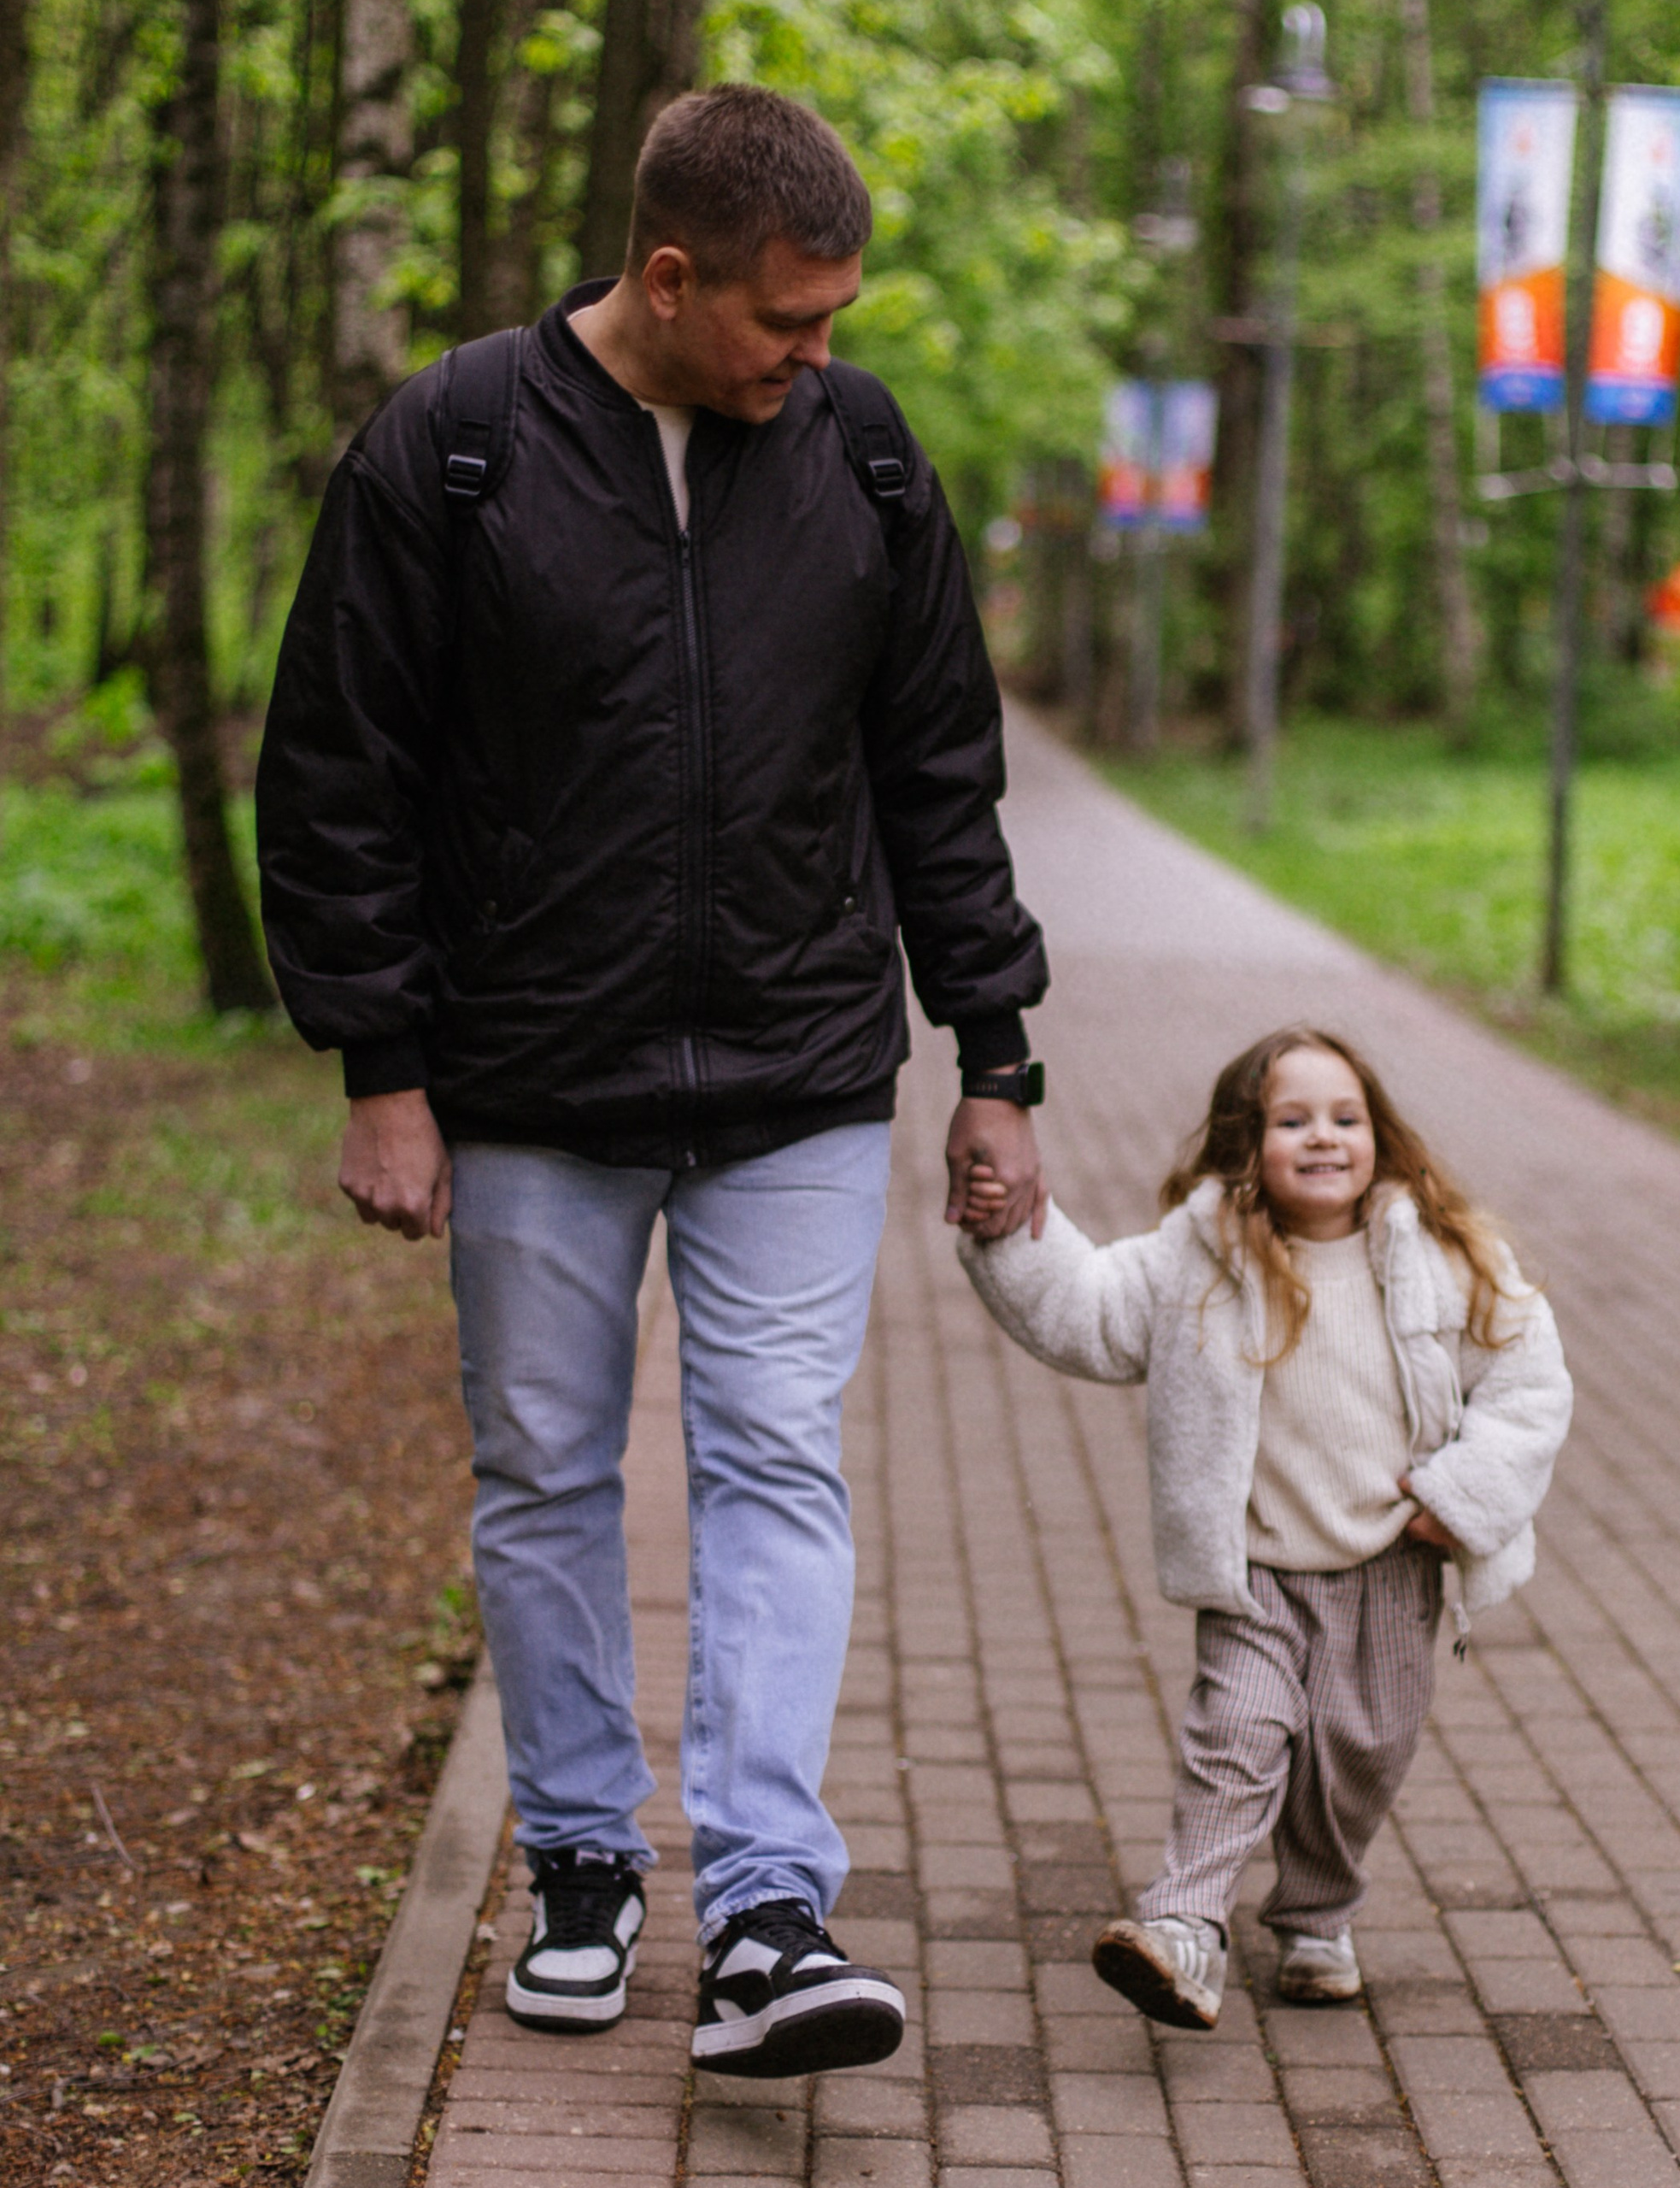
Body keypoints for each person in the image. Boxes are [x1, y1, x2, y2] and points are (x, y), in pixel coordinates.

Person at [256, 85, 1051, 2079]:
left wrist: (997, 1055)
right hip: (532, 1077)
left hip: (792, 1064)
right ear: (669, 275)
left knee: (775, 1454)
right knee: (543, 1472)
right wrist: (383, 1066)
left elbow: (938, 769)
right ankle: (587, 1865)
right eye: (787, 320)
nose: (819, 353)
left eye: (837, 318)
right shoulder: (451, 450)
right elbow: (338, 766)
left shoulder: (857, 456)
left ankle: (772, 1902)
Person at [956, 1027, 1570, 2025]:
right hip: (1259, 1569)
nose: (1322, 1138)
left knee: (1356, 1757)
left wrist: (1460, 1494)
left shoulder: (1444, 1256)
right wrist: (1006, 1226)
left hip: (1389, 1560)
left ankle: (1317, 1910)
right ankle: (1185, 1925)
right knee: (1235, 1736)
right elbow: (1086, 1308)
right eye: (1292, 1121)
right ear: (1249, 1143)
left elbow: (1528, 1380)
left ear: (1379, 1133)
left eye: (1344, 1117)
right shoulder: (1199, 1258)